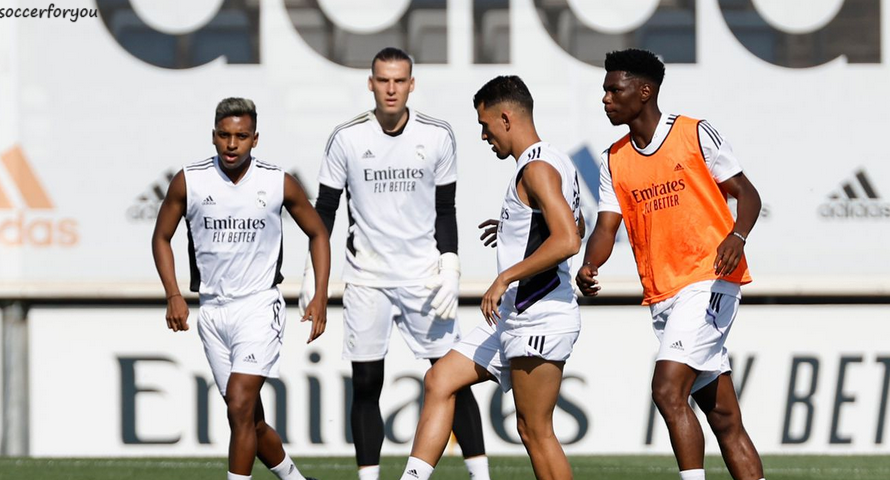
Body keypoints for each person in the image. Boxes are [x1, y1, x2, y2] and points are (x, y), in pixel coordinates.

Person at [575, 49, 766, 480]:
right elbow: (607, 225)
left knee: (666, 390)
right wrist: (590, 264)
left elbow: (747, 193)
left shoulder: (693, 133)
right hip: (664, 296)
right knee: (724, 419)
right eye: (604, 90)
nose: (605, 98)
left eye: (613, 89)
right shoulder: (613, 158)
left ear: (644, 92)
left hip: (710, 282)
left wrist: (737, 236)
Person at [301, 47, 489, 480]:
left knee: (451, 380)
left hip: (424, 278)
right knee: (366, 384)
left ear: (411, 84)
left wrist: (450, 267)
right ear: (370, 83)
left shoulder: (437, 134)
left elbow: (446, 209)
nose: (391, 89)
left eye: (399, 80)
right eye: (382, 80)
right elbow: (324, 211)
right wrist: (313, 274)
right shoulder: (346, 137)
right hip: (367, 278)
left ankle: (482, 476)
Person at [398, 75, 582, 480]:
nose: (484, 136)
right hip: (514, 317)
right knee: (440, 379)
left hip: (540, 316)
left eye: (484, 125)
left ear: (504, 117)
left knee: (535, 431)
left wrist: (504, 277)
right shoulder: (557, 160)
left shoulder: (536, 167)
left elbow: (568, 239)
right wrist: (514, 231)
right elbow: (576, 225)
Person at [152, 97, 330, 480]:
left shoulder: (276, 181)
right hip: (213, 311)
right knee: (250, 420)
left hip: (258, 306)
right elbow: (161, 237)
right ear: (213, 137)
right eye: (225, 135)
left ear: (255, 139)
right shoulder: (190, 180)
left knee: (238, 403)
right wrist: (173, 294)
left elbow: (318, 233)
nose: (233, 144)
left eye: (242, 136)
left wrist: (320, 295)